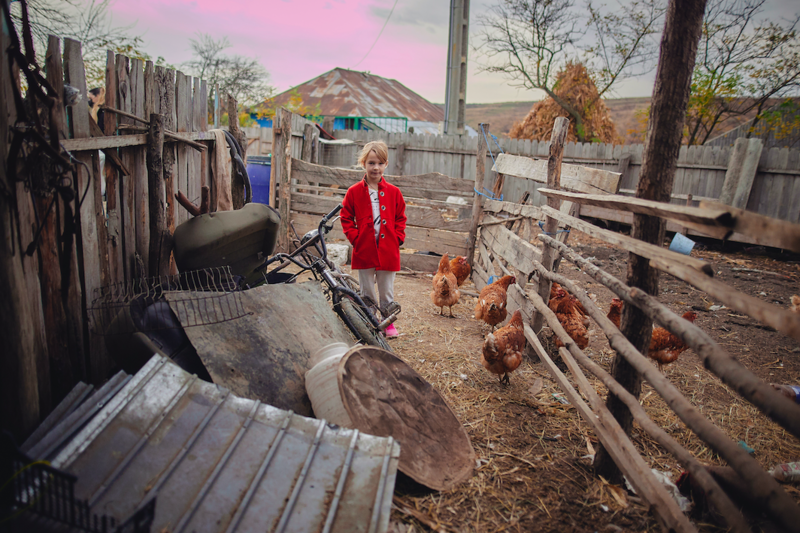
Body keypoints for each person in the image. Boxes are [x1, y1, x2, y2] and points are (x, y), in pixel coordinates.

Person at [341, 140, 406, 339]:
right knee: (367, 290)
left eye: (379, 163)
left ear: (385, 164)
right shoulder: (354, 192)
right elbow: (345, 217)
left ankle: (387, 324)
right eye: (371, 163)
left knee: (386, 290)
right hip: (364, 249)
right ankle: (370, 321)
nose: (375, 167)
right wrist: (355, 238)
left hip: (388, 249)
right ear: (364, 164)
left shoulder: (394, 192)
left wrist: (398, 238)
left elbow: (401, 217)